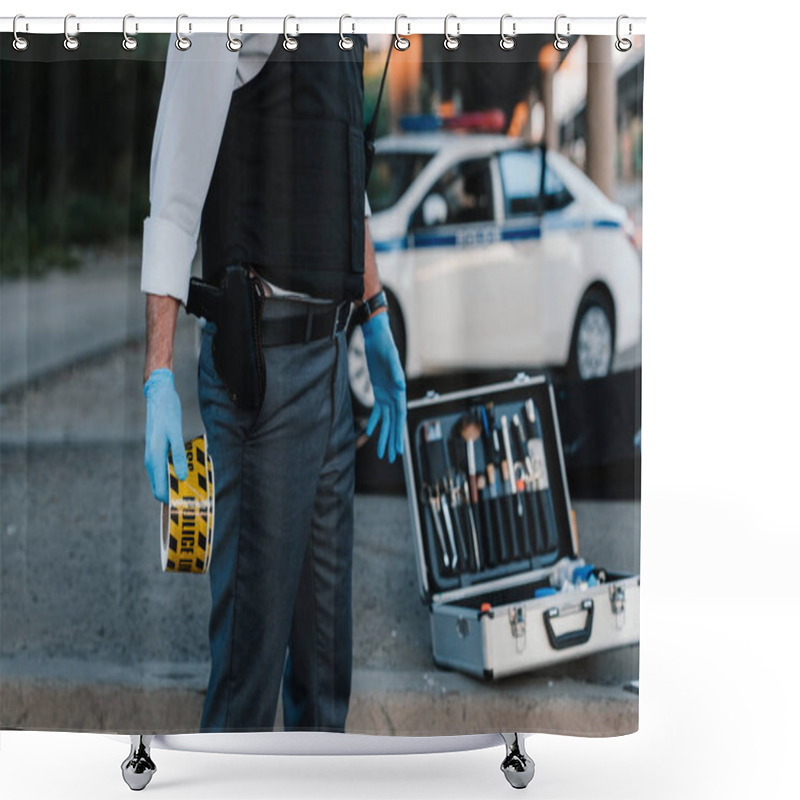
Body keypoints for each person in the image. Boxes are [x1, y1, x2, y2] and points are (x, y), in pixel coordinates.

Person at [141, 32, 406, 733]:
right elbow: (173, 201)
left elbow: (348, 188)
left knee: (324, 679)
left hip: (327, 366)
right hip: (263, 375)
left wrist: (375, 316)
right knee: (245, 686)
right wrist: (157, 376)